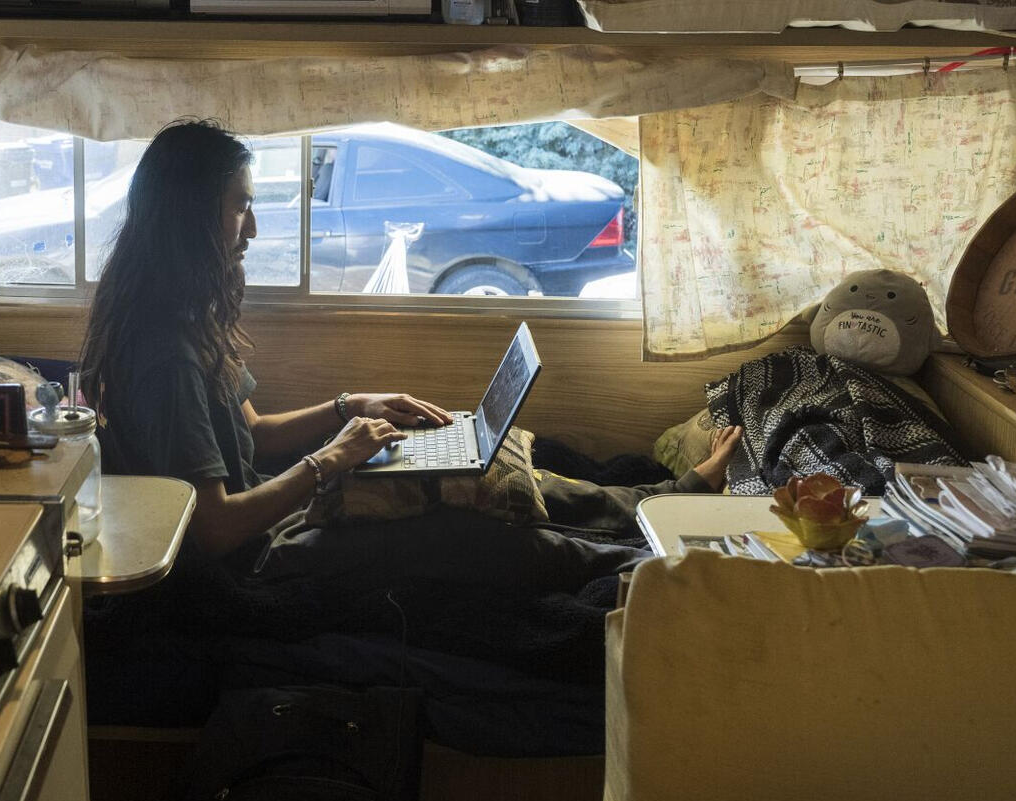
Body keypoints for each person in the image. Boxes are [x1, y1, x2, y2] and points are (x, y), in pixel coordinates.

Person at [81, 119, 742, 562]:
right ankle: (662, 514)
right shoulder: (162, 353)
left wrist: (350, 408)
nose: (252, 227)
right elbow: (215, 529)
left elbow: (251, 436)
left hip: (280, 511)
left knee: (487, 454)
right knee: (469, 508)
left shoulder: (180, 317)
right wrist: (331, 463)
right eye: (239, 207)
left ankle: (655, 494)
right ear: (191, 217)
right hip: (263, 558)